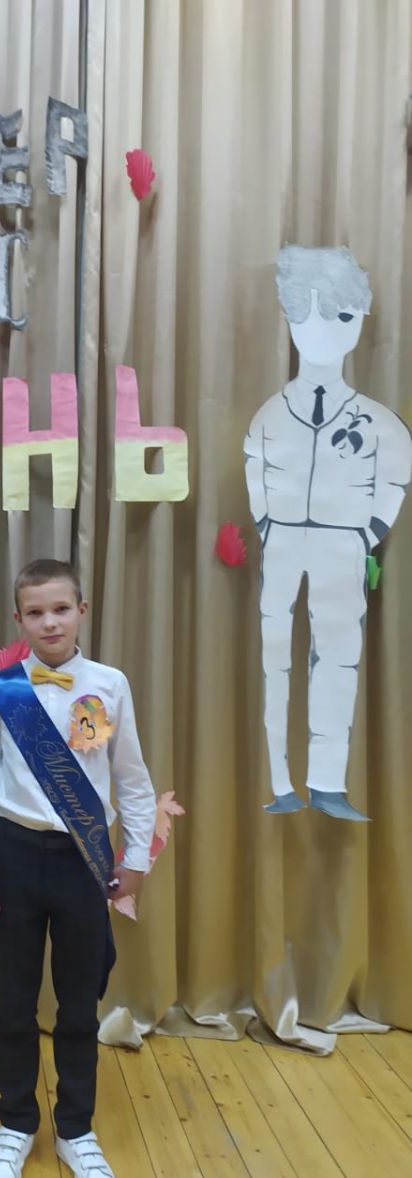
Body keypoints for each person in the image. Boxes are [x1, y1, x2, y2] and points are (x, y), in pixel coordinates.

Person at [0, 560, 156, 1178]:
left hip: (85, 860)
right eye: (35, 612)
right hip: (14, 856)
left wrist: (136, 861)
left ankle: (76, 1129)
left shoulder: (109, 684)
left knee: (80, 1003)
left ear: (82, 609)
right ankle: (16, 1123)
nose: (49, 622)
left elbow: (131, 778)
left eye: (60, 609)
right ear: (18, 619)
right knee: (15, 1002)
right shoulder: (3, 690)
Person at [245, 246, 411, 820]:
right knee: (275, 658)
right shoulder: (271, 414)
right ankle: (280, 780)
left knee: (338, 659)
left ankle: (328, 783)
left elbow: (394, 478)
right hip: (284, 540)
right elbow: (256, 470)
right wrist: (270, 525)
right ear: (290, 321)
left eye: (339, 315)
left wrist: (365, 535)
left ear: (359, 320)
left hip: (342, 542)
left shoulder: (380, 422)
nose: (321, 330)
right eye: (306, 314)